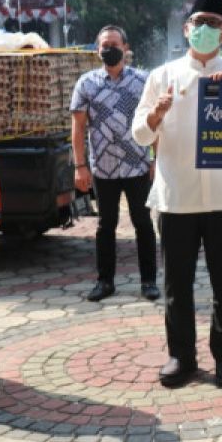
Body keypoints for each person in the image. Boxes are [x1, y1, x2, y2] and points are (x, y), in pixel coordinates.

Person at [132, 0, 222, 389]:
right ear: (186, 29)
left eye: (213, 23)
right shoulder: (161, 76)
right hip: (176, 197)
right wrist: (156, 114)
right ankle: (181, 355)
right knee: (176, 285)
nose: (204, 30)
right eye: (197, 22)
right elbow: (139, 133)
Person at [71, 25, 159, 303]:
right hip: (103, 168)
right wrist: (80, 166)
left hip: (137, 165)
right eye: (104, 44)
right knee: (105, 225)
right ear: (97, 49)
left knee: (143, 223)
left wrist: (155, 159)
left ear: (125, 47)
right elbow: (78, 127)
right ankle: (104, 281)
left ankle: (149, 282)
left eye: (114, 44)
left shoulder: (143, 81)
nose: (110, 48)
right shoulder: (86, 83)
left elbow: (154, 122)